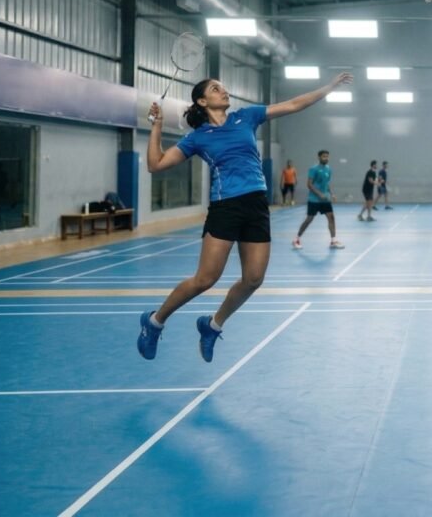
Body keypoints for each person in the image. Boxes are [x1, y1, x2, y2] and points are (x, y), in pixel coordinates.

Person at [138, 71, 352, 362]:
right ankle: (154, 321)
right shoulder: (198, 138)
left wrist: (328, 87)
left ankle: (212, 325)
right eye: (216, 89)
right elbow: (156, 164)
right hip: (226, 206)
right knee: (205, 279)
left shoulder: (246, 117)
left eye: (223, 88)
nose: (224, 91)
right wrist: (157, 126)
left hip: (256, 205)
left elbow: (293, 104)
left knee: (253, 279)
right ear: (202, 101)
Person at [293, 150, 344, 250]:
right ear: (319, 157)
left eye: (327, 156)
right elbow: (309, 184)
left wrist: (332, 194)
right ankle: (297, 239)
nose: (326, 158)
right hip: (314, 200)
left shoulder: (329, 169)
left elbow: (327, 184)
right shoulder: (314, 169)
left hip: (325, 200)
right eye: (324, 156)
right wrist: (319, 194)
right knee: (309, 220)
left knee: (331, 218)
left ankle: (333, 241)